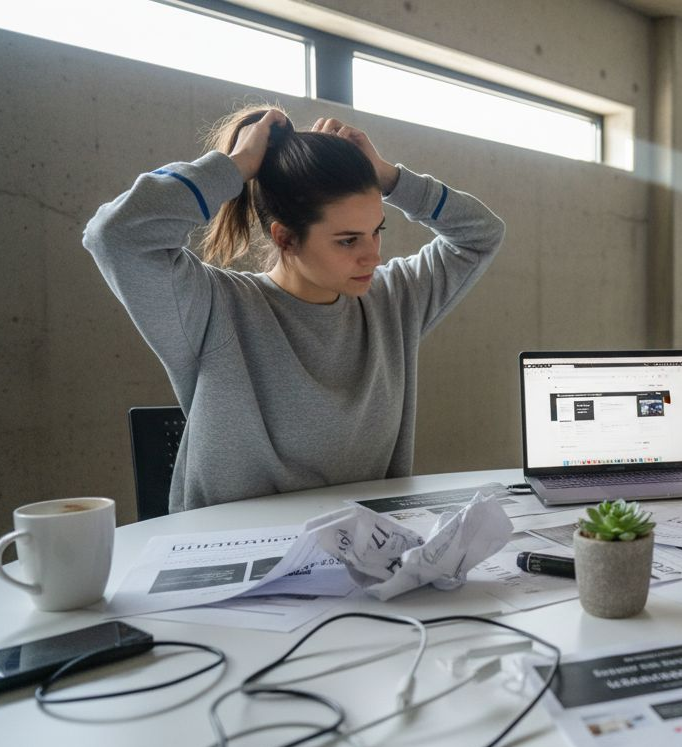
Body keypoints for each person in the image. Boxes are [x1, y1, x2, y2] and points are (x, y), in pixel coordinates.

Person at [84, 106, 505, 513]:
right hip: (239, 557)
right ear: (285, 238)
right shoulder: (214, 307)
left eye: (376, 232)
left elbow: (482, 234)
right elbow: (114, 235)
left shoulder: (392, 300)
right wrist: (234, 167)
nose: (372, 257)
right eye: (347, 240)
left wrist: (391, 178)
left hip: (363, 555)